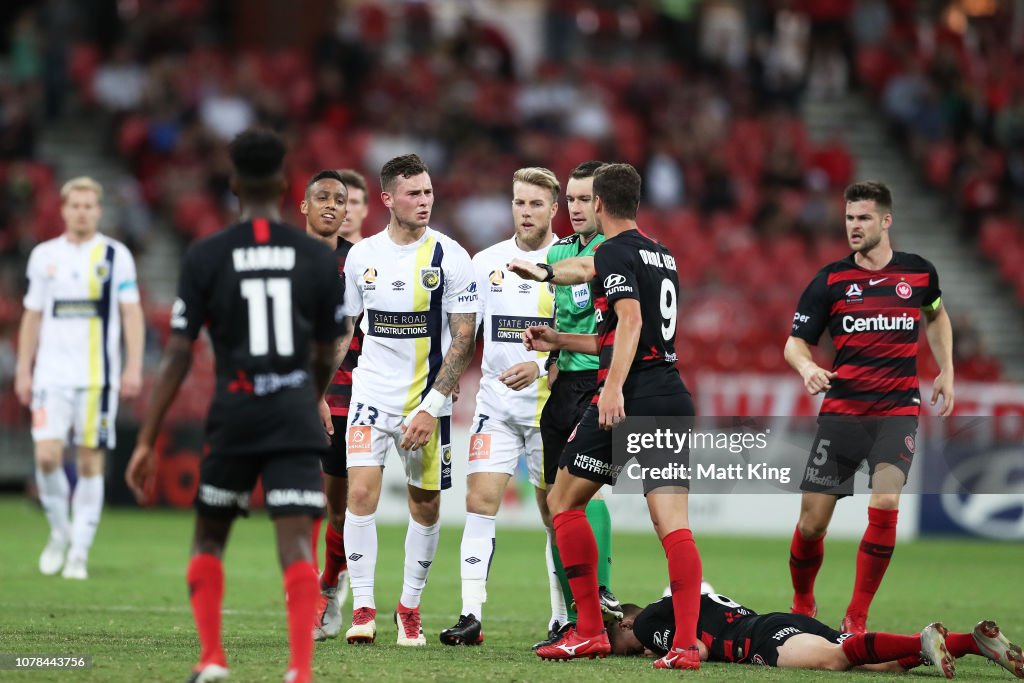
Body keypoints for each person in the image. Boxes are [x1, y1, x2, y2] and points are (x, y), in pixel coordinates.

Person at [125, 128, 350, 683]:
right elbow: (329, 348)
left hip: (234, 412)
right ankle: (299, 668)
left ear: (232, 184)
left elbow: (179, 354)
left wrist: (147, 438)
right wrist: (307, 392)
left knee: (209, 535)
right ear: (283, 184)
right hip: (294, 414)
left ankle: (211, 660)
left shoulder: (207, 254)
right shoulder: (317, 260)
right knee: (297, 540)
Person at [510, 163, 703, 669]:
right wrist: (548, 279)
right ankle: (685, 645)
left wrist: (613, 387)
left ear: (598, 203)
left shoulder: (613, 249)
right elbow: (592, 281)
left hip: (630, 393)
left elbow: (630, 318)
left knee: (563, 501)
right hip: (671, 394)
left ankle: (589, 629)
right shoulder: (661, 254)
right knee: (674, 526)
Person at [785, 181, 955, 634]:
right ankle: (803, 600)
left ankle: (857, 617)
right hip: (842, 412)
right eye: (849, 218)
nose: (854, 226)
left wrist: (947, 368)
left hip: (897, 410)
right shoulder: (830, 280)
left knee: (885, 501)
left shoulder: (919, 274)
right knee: (812, 524)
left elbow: (936, 314)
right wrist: (806, 368)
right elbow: (795, 343)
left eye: (862, 218)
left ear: (886, 220)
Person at [341, 153, 478, 646]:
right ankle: (362, 608)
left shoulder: (452, 257)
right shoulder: (362, 257)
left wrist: (431, 408)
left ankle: (409, 608)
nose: (424, 202)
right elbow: (348, 328)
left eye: (428, 192)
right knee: (359, 496)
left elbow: (463, 339)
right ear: (387, 200)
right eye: (413, 194)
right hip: (371, 397)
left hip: (427, 403)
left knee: (425, 506)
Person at [438, 166, 561, 646]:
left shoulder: (569, 264)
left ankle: (560, 615)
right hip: (497, 405)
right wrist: (448, 379)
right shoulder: (486, 261)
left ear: (554, 209)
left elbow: (584, 336)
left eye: (535, 203)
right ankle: (470, 615)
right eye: (518, 202)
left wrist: (541, 364)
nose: (525, 211)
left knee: (556, 513)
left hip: (554, 406)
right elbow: (466, 333)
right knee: (479, 502)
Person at [15, 175, 144, 581]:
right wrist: (24, 368)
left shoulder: (115, 255)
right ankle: (59, 532)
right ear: (64, 209)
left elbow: (131, 313)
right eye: (76, 205)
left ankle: (79, 553)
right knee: (47, 456)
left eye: (90, 206)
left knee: (90, 462)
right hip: (50, 376)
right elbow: (33, 315)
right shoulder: (43, 256)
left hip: (96, 378)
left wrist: (133, 366)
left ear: (98, 210)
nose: (82, 212)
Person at [533, 160, 618, 650]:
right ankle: (573, 616)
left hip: (600, 386)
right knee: (554, 506)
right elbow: (557, 306)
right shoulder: (561, 249)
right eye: (571, 199)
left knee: (586, 495)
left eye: (586, 198)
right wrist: (547, 356)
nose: (576, 207)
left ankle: (600, 594)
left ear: (602, 202)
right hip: (563, 388)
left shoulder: (614, 252)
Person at [608, 591, 1024, 679]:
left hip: (762, 639)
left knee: (834, 660)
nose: (625, 650)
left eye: (618, 642)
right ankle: (973, 642)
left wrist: (656, 653)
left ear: (626, 623)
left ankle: (921, 640)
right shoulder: (691, 594)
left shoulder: (646, 622)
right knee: (886, 665)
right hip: (777, 622)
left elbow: (693, 647)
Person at [308, 168, 371, 642]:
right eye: (326, 198)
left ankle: (330, 583)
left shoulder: (364, 264)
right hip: (299, 391)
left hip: (352, 393)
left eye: (346, 201)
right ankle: (313, 590)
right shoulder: (290, 260)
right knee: (301, 500)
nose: (340, 209)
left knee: (341, 507)